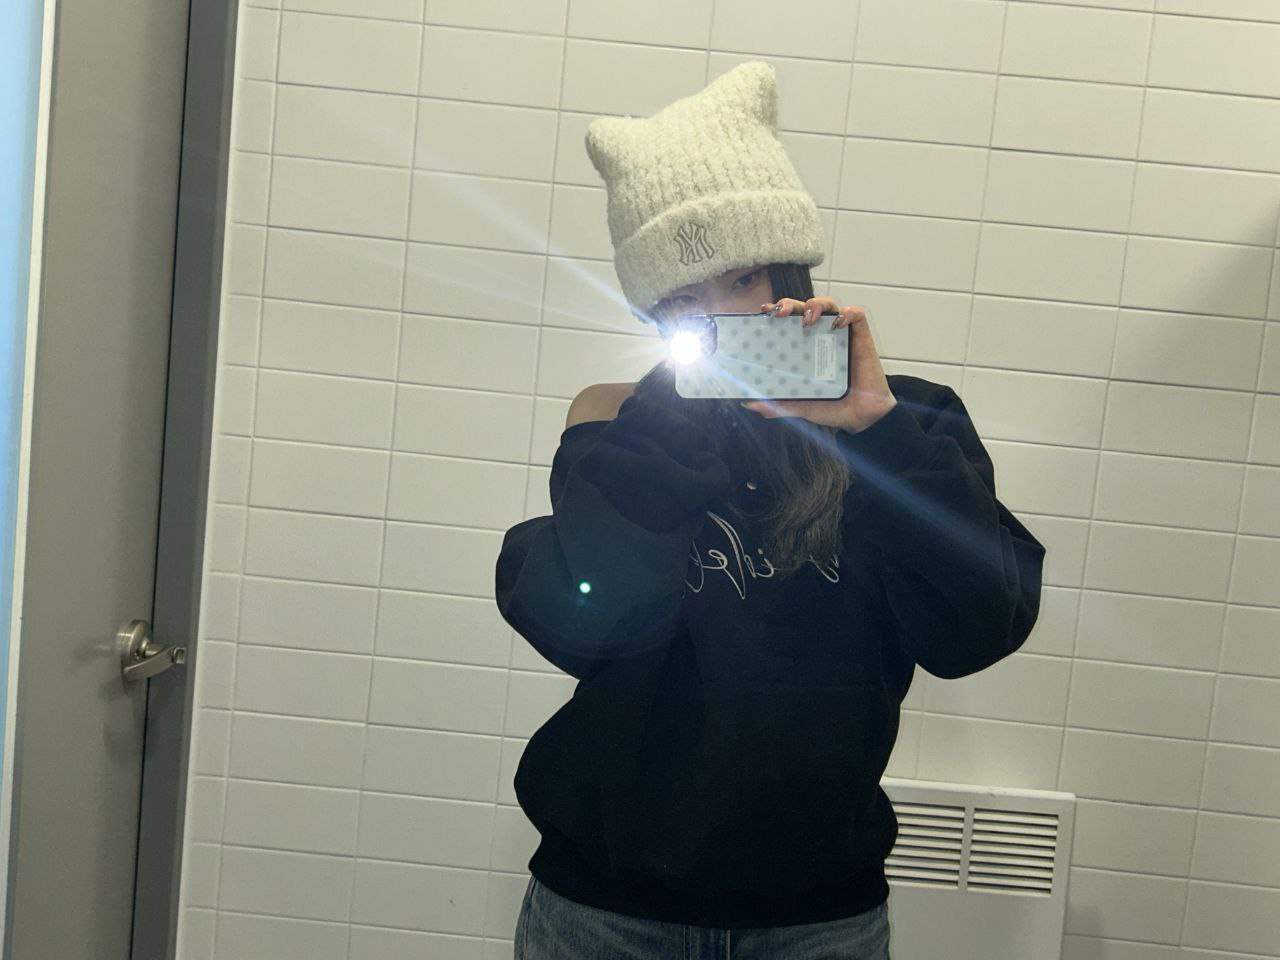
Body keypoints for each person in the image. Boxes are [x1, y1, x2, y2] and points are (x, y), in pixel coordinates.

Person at [494, 61, 1046, 959]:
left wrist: (878, 436)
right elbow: (585, 624)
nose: (720, 317)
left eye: (743, 280)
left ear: (792, 272)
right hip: (604, 910)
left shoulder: (909, 423)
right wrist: (665, 430)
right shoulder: (619, 425)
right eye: (682, 300)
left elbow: (975, 631)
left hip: (817, 919)